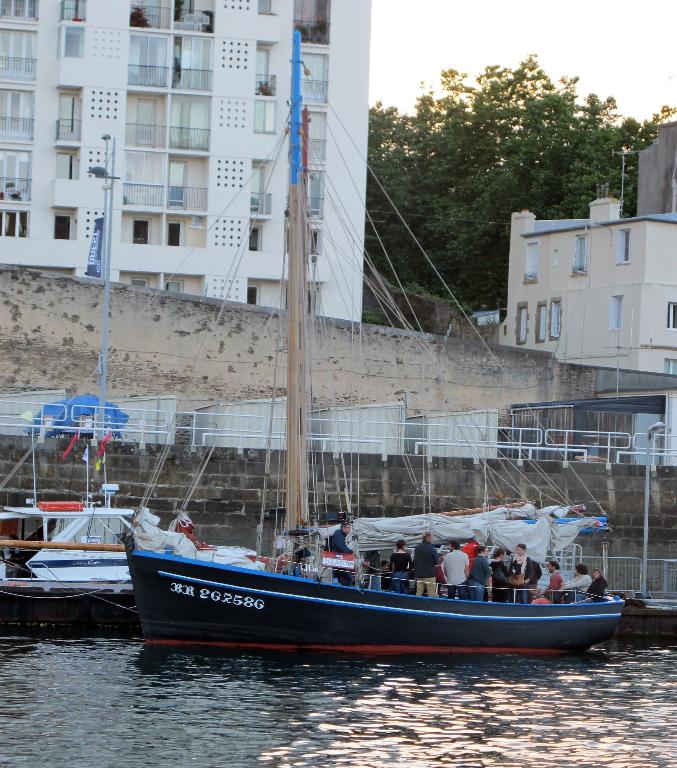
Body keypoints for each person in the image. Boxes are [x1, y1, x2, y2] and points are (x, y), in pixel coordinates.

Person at [413, 531, 439, 597]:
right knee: (431, 595)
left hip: (419, 575)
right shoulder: (432, 548)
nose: (432, 539)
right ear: (427, 537)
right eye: (431, 537)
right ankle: (431, 607)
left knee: (418, 594)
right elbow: (436, 562)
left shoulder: (417, 548)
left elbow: (415, 560)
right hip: (430, 575)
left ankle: (417, 606)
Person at [330, 521, 353, 586]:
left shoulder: (341, 534)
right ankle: (340, 589)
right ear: (344, 528)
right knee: (349, 579)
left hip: (338, 560)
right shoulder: (338, 534)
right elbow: (340, 546)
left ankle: (337, 588)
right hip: (338, 559)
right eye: (348, 528)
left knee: (337, 577)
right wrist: (350, 552)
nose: (349, 529)